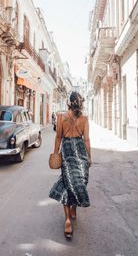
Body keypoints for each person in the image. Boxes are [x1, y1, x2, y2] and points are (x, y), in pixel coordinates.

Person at [49, 91, 91, 240]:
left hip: (66, 151)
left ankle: (68, 219)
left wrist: (55, 154)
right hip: (80, 152)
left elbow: (58, 137)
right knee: (80, 181)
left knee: (68, 182)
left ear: (68, 102)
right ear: (80, 103)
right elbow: (86, 140)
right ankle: (73, 210)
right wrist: (89, 157)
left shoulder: (61, 117)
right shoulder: (84, 119)